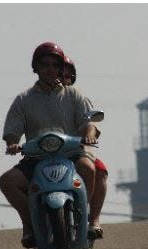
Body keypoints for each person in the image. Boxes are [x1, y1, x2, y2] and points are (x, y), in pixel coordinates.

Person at [0, 41, 100, 248]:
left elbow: (89, 123)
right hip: (36, 158)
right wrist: (13, 144)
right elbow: (12, 131)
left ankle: (84, 217)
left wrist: (89, 135)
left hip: (71, 154)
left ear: (61, 68)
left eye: (55, 65)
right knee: (7, 181)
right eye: (45, 65)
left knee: (88, 168)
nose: (50, 69)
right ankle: (29, 224)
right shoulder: (23, 99)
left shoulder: (74, 95)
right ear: (36, 68)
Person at [62, 55, 106, 239]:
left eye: (66, 75)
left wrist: (89, 135)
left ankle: (93, 219)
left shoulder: (78, 98)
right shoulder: (37, 98)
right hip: (47, 152)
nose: (61, 78)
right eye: (59, 73)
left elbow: (92, 124)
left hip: (77, 150)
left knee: (99, 170)